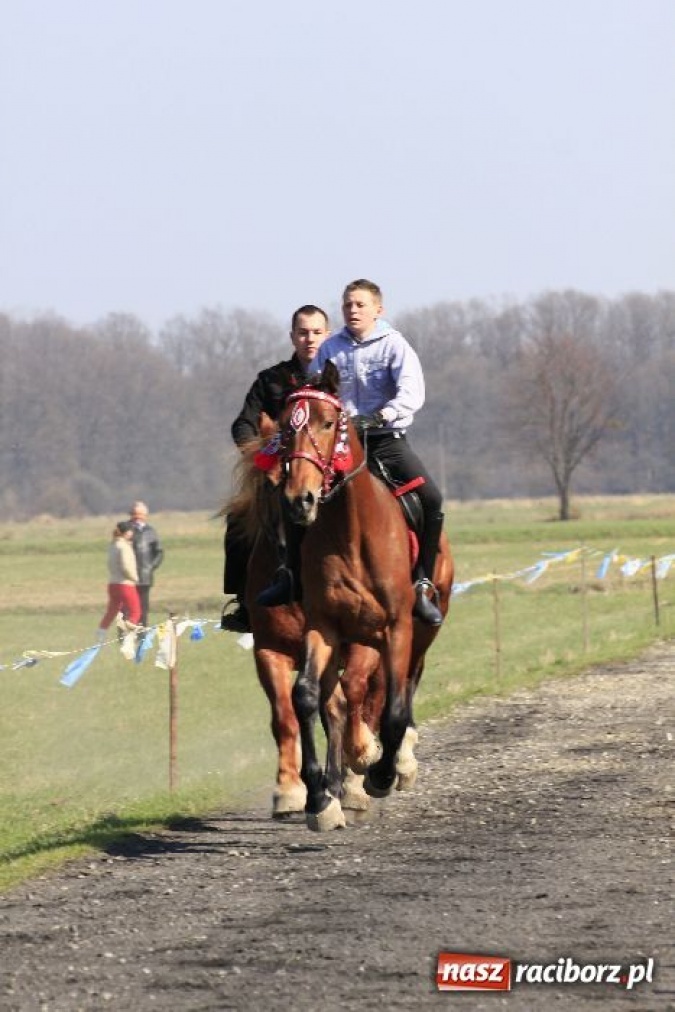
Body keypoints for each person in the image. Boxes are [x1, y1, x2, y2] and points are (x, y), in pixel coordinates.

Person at [259, 279, 445, 626]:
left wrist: (382, 415)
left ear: (378, 309)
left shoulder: (395, 346)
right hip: (336, 444)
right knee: (295, 493)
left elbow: (411, 393)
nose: (353, 310)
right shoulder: (331, 348)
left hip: (385, 439)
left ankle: (421, 583)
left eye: (360, 305)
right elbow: (314, 389)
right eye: (347, 305)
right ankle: (292, 576)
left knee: (431, 499)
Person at [220, 305, 331, 632]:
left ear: (327, 334)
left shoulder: (340, 376)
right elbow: (243, 423)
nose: (309, 339)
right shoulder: (271, 380)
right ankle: (243, 601)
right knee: (239, 517)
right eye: (302, 332)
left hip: (331, 471)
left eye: (316, 332)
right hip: (282, 473)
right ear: (292, 336)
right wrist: (259, 457)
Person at [96, 521, 141, 641]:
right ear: (127, 532)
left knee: (112, 610)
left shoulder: (113, 545)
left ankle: (101, 631)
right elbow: (126, 566)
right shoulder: (124, 546)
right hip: (125, 584)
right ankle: (129, 636)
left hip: (113, 583)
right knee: (135, 611)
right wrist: (134, 577)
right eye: (131, 531)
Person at [129, 501, 164, 628]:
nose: (137, 517)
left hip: (145, 577)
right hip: (128, 577)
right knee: (128, 609)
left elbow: (159, 552)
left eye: (140, 514)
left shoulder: (151, 531)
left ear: (145, 515)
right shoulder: (125, 530)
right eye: (134, 514)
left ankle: (142, 634)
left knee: (143, 608)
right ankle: (125, 636)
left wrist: (151, 567)